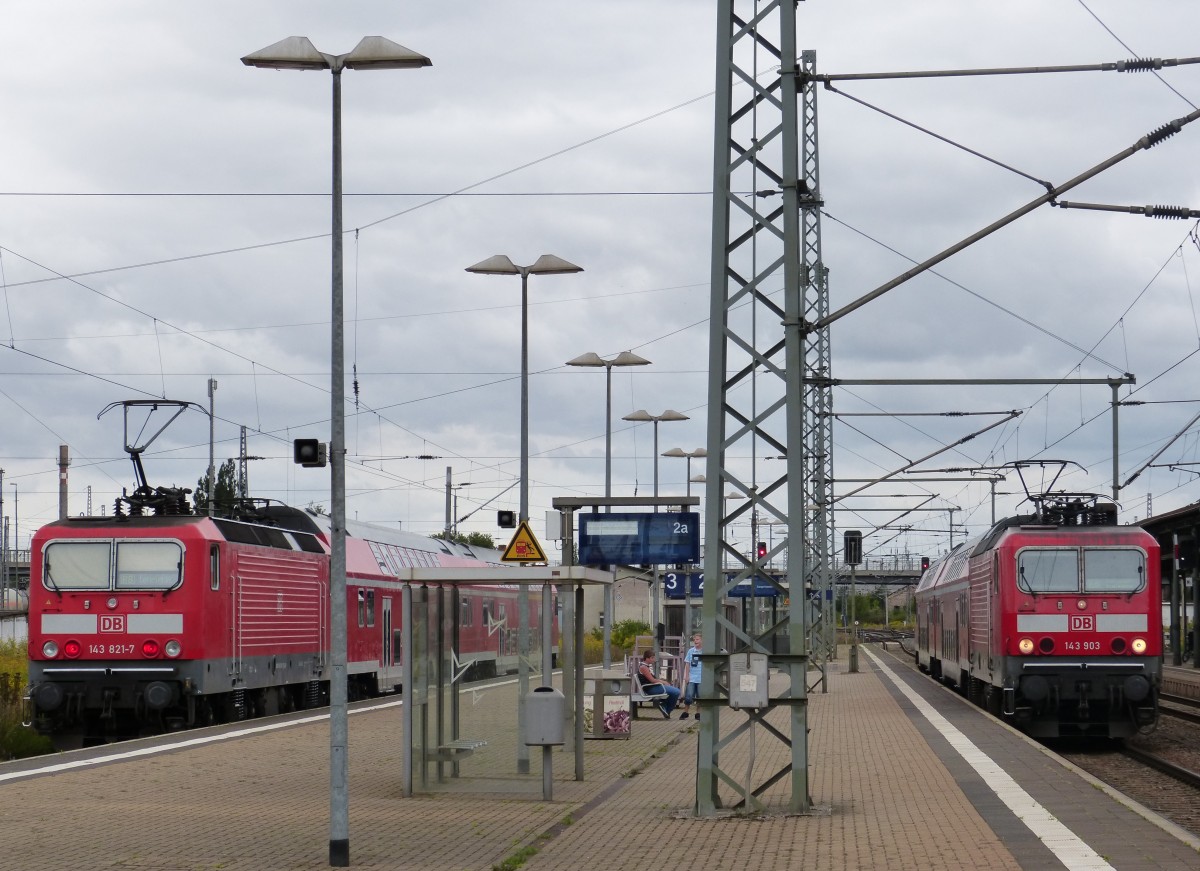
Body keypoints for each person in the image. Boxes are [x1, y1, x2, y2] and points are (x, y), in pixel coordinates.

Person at [637, 649, 680, 718]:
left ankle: (665, 707)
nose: (654, 659)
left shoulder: (646, 666)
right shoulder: (643, 667)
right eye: (652, 658)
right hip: (650, 688)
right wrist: (664, 682)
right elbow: (652, 680)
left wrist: (661, 681)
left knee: (674, 692)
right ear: (647, 658)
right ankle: (666, 708)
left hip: (653, 686)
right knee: (676, 692)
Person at [679, 633, 702, 721]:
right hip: (692, 677)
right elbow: (687, 664)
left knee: (700, 696)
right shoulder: (691, 651)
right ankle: (686, 712)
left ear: (702, 640)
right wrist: (687, 676)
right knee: (689, 695)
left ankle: (698, 713)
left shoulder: (704, 651)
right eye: (694, 640)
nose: (695, 641)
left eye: (697, 639)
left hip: (701, 677)